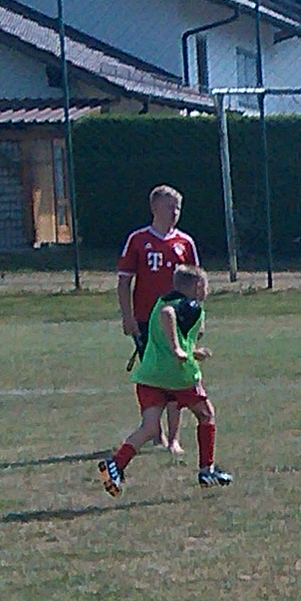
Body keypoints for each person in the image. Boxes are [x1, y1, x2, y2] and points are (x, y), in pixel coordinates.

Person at [101, 265, 230, 494]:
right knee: (206, 414)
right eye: (205, 286)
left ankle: (115, 464)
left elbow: (167, 325)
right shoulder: (189, 305)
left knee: (149, 427)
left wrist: (192, 351)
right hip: (178, 376)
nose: (207, 291)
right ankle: (207, 470)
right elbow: (168, 315)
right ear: (197, 287)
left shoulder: (162, 300)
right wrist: (177, 349)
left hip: (150, 375)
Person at [115, 185, 199, 457]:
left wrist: (199, 320)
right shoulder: (138, 240)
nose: (174, 212)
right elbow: (124, 282)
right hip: (146, 321)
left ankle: (173, 438)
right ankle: (155, 432)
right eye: (169, 207)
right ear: (154, 208)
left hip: (179, 322)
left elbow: (197, 283)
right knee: (153, 378)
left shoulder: (185, 243)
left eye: (178, 208)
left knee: (177, 376)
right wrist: (128, 317)